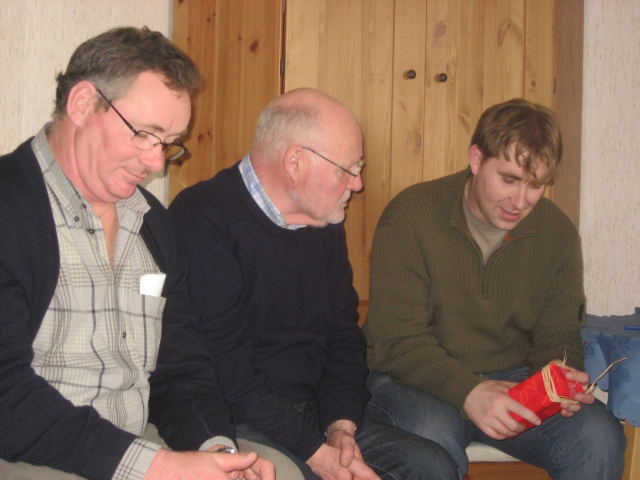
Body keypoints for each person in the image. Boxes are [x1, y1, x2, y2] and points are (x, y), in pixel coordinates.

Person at [0, 26, 298, 480]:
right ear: (82, 104)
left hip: (134, 443)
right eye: (144, 134)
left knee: (277, 470)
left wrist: (216, 448)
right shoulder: (10, 208)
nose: (156, 163)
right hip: (26, 451)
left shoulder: (151, 223)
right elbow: (6, 395)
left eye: (167, 143)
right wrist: (157, 467)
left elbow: (183, 367)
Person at [168, 88, 458, 480]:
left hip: (315, 415)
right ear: (295, 162)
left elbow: (343, 336)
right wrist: (317, 454)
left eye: (359, 167)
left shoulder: (322, 221)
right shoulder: (203, 218)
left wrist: (341, 425)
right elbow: (227, 373)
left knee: (431, 467)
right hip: (238, 421)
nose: (358, 184)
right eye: (347, 169)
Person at [363, 98, 626, 479]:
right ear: (476, 159)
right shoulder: (411, 216)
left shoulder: (557, 233)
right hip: (411, 378)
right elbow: (397, 342)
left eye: (535, 185)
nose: (520, 202)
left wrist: (558, 380)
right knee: (432, 434)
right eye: (509, 179)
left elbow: (557, 337)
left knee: (599, 437)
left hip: (510, 375)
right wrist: (470, 392)